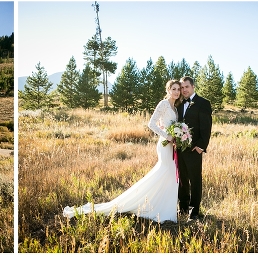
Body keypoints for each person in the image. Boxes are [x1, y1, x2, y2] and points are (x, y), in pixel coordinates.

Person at [63, 80, 182, 223]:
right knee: (163, 172)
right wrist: (167, 135)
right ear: (168, 90)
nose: (176, 92)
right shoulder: (163, 104)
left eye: (178, 89)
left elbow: (163, 124)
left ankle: (163, 207)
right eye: (173, 89)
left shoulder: (175, 107)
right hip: (164, 144)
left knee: (170, 176)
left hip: (172, 146)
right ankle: (142, 203)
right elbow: (151, 124)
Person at [177, 76, 212, 221]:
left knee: (195, 180)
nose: (184, 90)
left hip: (194, 149)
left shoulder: (203, 103)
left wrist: (200, 147)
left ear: (193, 87)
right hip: (179, 148)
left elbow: (206, 127)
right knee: (182, 180)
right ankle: (183, 208)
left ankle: (194, 212)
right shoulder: (179, 103)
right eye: (182, 87)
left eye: (186, 87)